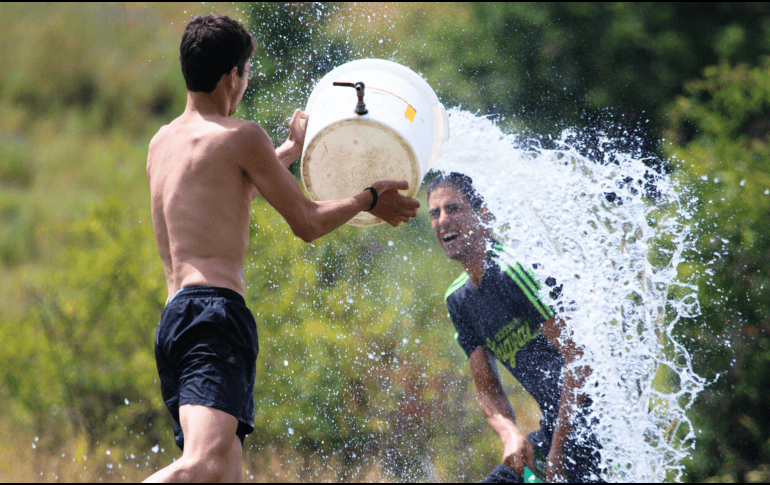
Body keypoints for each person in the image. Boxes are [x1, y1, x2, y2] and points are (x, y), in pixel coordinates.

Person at [144, 14, 420, 483]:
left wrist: (290, 150)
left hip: (176, 320)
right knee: (204, 465)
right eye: (246, 73)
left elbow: (229, 193)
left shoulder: (162, 142)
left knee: (225, 470)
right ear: (232, 75)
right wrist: (370, 198)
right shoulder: (242, 136)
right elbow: (308, 223)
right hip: (215, 316)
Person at [427, 172, 601, 483]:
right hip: (556, 434)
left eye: (453, 209)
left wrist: (557, 454)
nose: (442, 221)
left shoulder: (513, 271)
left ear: (484, 215)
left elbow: (580, 360)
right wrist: (509, 433)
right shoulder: (458, 300)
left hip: (598, 429)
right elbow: (487, 390)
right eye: (435, 213)